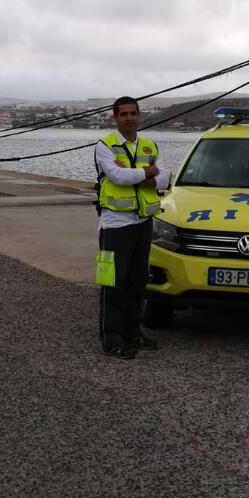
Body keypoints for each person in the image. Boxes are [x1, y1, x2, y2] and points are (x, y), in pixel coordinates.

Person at [93, 96, 169, 359]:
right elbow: (118, 177)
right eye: (123, 114)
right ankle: (111, 336)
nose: (129, 118)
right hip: (115, 225)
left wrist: (145, 176)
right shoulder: (105, 145)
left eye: (132, 113)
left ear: (139, 116)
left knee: (138, 281)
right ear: (115, 117)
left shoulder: (149, 145)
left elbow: (166, 178)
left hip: (143, 222)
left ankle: (132, 331)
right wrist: (149, 172)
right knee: (114, 282)